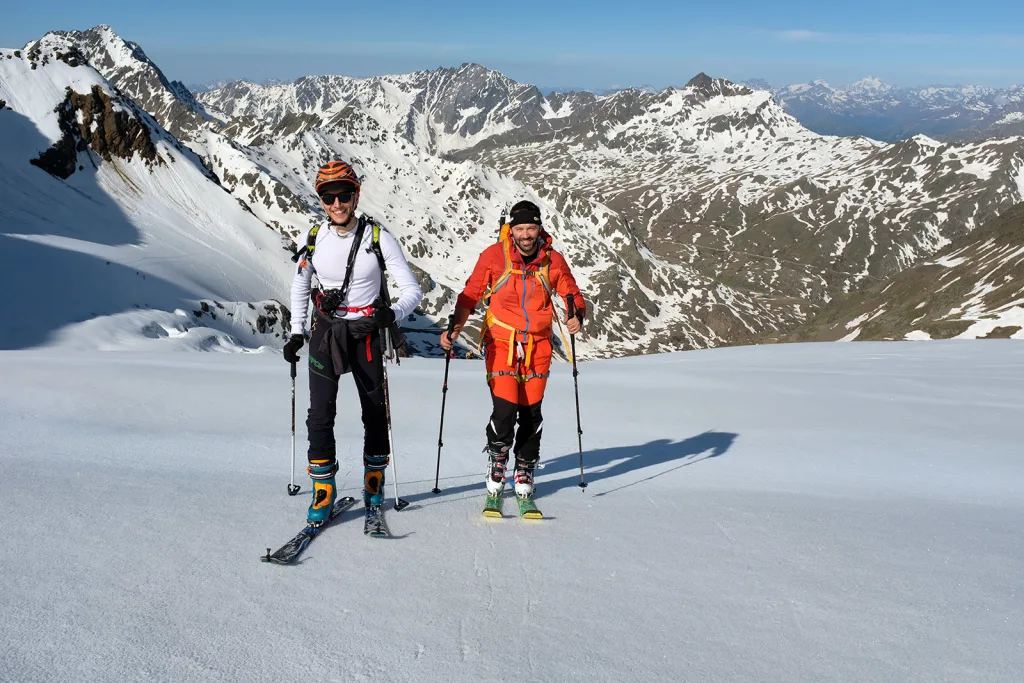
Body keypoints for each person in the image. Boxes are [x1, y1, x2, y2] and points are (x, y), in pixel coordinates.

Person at [283, 160, 423, 526]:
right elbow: (301, 285)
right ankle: (323, 490)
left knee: (375, 413)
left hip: (365, 335)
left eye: (343, 195)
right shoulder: (313, 238)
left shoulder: (378, 238)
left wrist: (391, 315)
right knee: (319, 415)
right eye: (328, 197)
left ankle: (373, 482)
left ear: (356, 195)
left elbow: (412, 290)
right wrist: (297, 331)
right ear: (320, 200)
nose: (337, 203)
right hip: (326, 333)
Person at [440, 200, 585, 502]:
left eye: (531, 227)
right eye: (520, 228)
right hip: (502, 341)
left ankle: (525, 466)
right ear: (511, 230)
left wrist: (576, 315)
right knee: (505, 410)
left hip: (539, 345)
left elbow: (570, 291)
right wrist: (455, 325)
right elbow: (471, 293)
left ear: (539, 228)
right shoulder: (495, 256)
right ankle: (498, 457)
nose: (526, 234)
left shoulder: (552, 261)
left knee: (532, 413)